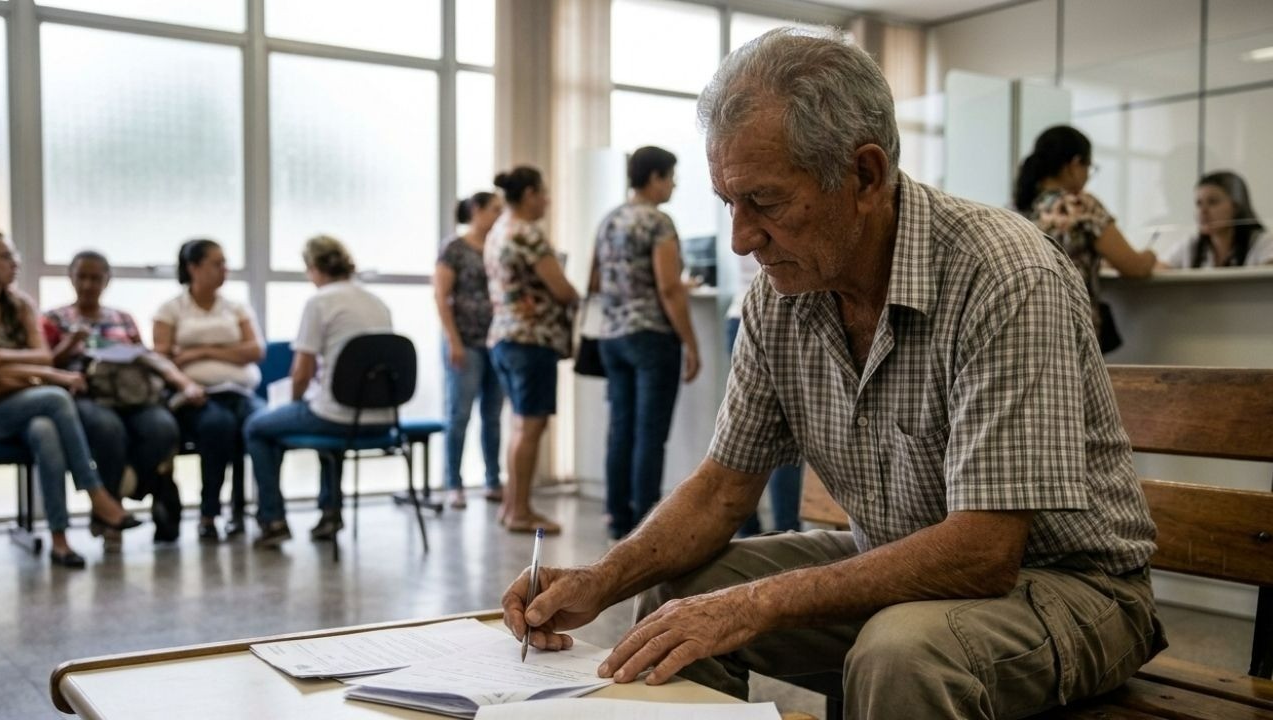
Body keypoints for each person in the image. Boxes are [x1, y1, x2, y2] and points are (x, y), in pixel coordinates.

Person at [502, 28, 1164, 720]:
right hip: (903, 563)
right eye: (728, 201)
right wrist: (603, 577)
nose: (740, 238)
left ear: (866, 176)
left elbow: (985, 550)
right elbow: (724, 488)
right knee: (675, 603)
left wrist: (755, 604)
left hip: (1070, 586)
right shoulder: (781, 298)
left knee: (902, 653)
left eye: (765, 201)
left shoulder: (1002, 275)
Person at [0, 232, 140, 568]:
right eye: (4, 256)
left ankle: (60, 539)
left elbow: (42, 358)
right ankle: (96, 493)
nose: (14, 263)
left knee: (46, 431)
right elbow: (36, 368)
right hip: (9, 406)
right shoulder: (51, 315)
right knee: (57, 399)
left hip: (21, 402)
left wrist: (5, 364)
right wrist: (38, 372)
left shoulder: (21, 306)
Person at [42, 251, 200, 546]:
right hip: (87, 396)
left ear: (107, 281)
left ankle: (128, 485)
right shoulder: (55, 318)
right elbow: (45, 366)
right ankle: (110, 511)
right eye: (82, 277)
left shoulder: (122, 318)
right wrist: (71, 343)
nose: (88, 285)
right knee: (108, 430)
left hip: (130, 395)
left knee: (163, 428)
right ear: (71, 278)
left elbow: (144, 356)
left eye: (95, 278)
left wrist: (179, 381)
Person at [244, 236, 393, 548]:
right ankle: (330, 512)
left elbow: (301, 373)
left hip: (338, 415)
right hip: (383, 416)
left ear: (313, 268)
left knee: (257, 427)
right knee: (331, 413)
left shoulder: (320, 302)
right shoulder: (376, 301)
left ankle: (272, 519)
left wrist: (292, 405)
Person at [594, 146, 700, 540]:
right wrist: (690, 343)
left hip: (612, 337)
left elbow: (593, 280)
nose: (674, 184)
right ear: (654, 177)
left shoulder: (609, 220)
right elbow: (669, 289)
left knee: (621, 428)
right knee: (650, 433)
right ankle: (645, 524)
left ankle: (617, 515)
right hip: (652, 336)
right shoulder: (658, 222)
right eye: (671, 176)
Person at [485, 166, 579, 535]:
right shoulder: (528, 234)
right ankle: (521, 511)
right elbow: (561, 289)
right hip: (531, 339)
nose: (548, 200)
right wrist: (576, 295)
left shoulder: (498, 231)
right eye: (543, 192)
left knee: (519, 425)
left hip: (505, 337)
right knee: (530, 426)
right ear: (528, 195)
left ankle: (511, 507)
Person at [153, 239, 265, 542]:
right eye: (217, 263)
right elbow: (161, 358)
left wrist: (199, 351)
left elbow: (255, 350)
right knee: (218, 426)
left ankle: (266, 514)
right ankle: (210, 513)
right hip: (196, 397)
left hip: (240, 392)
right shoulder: (171, 309)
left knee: (263, 425)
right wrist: (188, 380)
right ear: (194, 268)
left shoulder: (236, 307)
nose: (224, 270)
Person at [1015, 125, 1156, 351]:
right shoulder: (1080, 205)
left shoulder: (1018, 209)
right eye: (1089, 167)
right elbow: (1134, 267)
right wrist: (1151, 255)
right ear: (1074, 164)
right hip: (1069, 331)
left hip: (1024, 326)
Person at [436, 192, 506, 510]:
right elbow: (441, 296)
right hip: (464, 343)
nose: (499, 216)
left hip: (496, 342)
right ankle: (454, 483)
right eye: (494, 210)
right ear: (476, 211)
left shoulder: (498, 248)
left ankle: (493, 480)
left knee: (492, 416)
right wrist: (454, 341)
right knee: (459, 414)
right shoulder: (455, 248)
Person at [725, 254, 801, 536]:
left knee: (746, 431)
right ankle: (786, 529)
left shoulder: (741, 219)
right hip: (776, 312)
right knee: (786, 436)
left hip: (737, 315)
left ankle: (747, 531)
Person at [1163, 170, 1271, 268]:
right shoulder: (1191, 246)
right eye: (1198, 203)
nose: (1203, 210)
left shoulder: (1264, 243)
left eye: (1212, 202)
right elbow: (1159, 269)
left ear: (1236, 207)